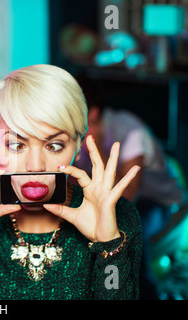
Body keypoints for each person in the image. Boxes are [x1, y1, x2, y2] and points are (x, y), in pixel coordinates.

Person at [0, 64, 143, 299]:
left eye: (54, 145)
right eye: (16, 145)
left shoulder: (118, 215)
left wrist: (108, 244)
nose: (35, 165)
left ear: (77, 147)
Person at [73, 77, 186, 299]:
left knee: (127, 225)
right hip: (111, 201)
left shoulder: (130, 131)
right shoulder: (74, 135)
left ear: (92, 113)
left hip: (157, 201)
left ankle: (145, 291)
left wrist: (95, 146)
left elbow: (126, 196)